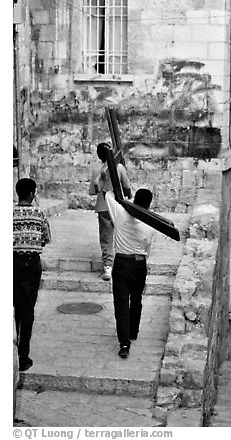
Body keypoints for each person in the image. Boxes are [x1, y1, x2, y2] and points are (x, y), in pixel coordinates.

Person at [105, 188, 154, 359]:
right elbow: (148, 248)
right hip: (139, 263)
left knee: (121, 303)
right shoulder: (149, 225)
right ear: (149, 204)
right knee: (136, 299)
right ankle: (133, 331)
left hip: (121, 262)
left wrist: (123, 194)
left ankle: (124, 342)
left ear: (134, 201)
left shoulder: (120, 212)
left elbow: (108, 195)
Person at [13, 178, 51, 371]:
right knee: (27, 310)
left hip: (12, 264)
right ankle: (23, 356)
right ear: (31, 194)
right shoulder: (39, 214)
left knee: (12, 307)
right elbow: (46, 239)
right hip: (31, 265)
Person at [89, 142, 132, 280]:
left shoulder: (96, 169)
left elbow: (92, 191)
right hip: (118, 205)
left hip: (103, 206)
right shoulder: (119, 167)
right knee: (122, 235)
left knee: (106, 238)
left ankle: (108, 266)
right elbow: (126, 186)